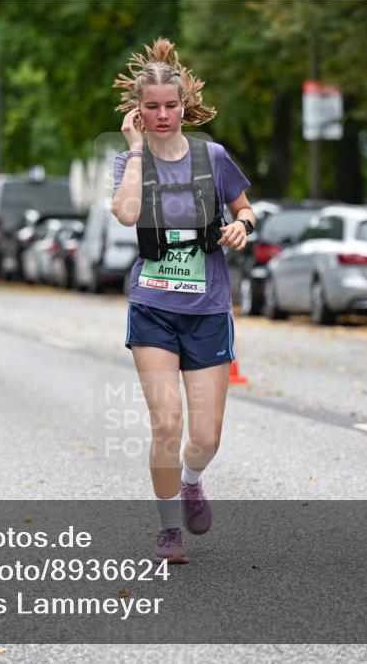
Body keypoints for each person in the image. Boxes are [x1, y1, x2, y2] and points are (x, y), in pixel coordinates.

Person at [111, 38, 255, 563]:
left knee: (206, 436)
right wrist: (132, 151)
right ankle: (168, 527)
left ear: (184, 105)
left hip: (208, 307)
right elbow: (126, 215)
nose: (163, 114)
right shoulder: (129, 160)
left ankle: (193, 480)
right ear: (138, 110)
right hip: (152, 305)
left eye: (170, 105)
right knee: (166, 424)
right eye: (151, 107)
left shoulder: (212, 157)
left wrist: (240, 225)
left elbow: (246, 207)